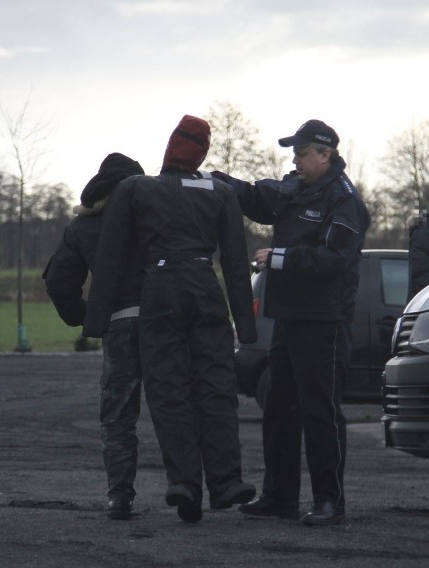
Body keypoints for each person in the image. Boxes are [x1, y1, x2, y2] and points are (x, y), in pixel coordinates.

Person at [82, 115, 258, 524]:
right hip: (204, 285)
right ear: (202, 153)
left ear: (168, 148)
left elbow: (110, 259)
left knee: (168, 389)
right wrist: (245, 328)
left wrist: (96, 319)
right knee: (216, 385)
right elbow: (233, 262)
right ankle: (226, 480)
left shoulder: (136, 189)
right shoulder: (218, 192)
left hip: (158, 290)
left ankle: (184, 482)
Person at [212, 119, 370, 526]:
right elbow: (260, 199)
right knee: (279, 408)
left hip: (324, 322)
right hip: (288, 317)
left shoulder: (343, 201)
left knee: (320, 411)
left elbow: (336, 260)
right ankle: (279, 497)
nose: (296, 161)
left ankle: (330, 501)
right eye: (294, 154)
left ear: (325, 155)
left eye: (302, 154)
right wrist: (218, 181)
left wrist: (279, 259)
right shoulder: (297, 188)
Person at [42, 152, 146, 520]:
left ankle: (120, 496)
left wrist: (85, 318)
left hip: (119, 323)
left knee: (118, 414)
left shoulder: (82, 228)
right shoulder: (155, 218)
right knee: (175, 407)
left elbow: (58, 282)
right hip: (166, 324)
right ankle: (188, 489)